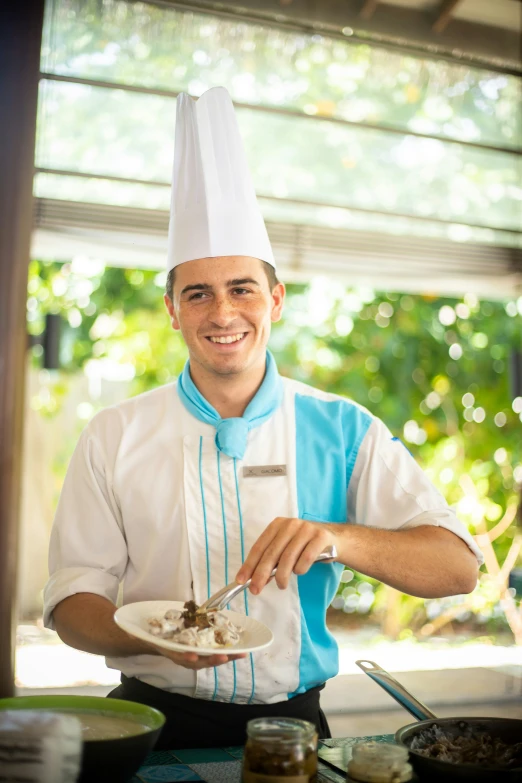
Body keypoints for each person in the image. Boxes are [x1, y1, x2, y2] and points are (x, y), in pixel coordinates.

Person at [44, 87, 482, 749]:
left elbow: (459, 568)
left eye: (242, 288)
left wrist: (338, 538)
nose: (223, 313)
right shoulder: (114, 434)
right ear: (173, 309)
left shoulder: (344, 427)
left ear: (274, 298)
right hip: (149, 718)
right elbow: (72, 605)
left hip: (293, 725)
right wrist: (148, 635)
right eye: (198, 293)